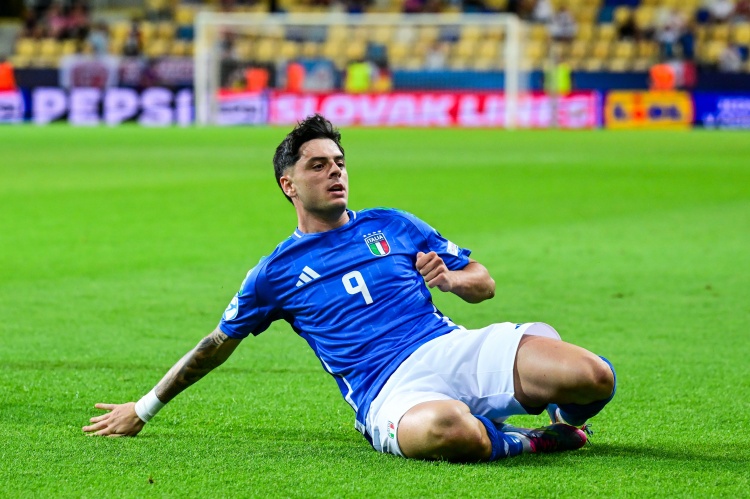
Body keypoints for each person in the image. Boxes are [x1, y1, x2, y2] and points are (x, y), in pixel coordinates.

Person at [83, 115, 616, 462]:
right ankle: (529, 441)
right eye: (318, 166)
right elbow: (217, 343)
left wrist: (452, 280)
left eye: (339, 163)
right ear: (289, 185)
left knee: (595, 377)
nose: (335, 173)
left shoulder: (392, 224)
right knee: (450, 431)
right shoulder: (274, 273)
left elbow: (484, 283)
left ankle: (564, 416)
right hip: (388, 392)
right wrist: (144, 408)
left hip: (448, 346)